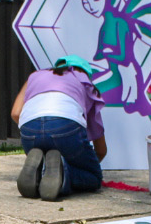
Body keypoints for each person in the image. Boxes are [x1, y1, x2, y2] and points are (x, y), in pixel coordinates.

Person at [12, 56, 107, 201]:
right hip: (65, 126)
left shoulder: (35, 76)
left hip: (30, 131)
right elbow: (101, 150)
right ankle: (62, 173)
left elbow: (16, 113)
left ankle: (42, 170)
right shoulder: (84, 82)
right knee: (93, 177)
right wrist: (80, 164)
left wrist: (38, 131)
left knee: (50, 157)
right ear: (86, 73)